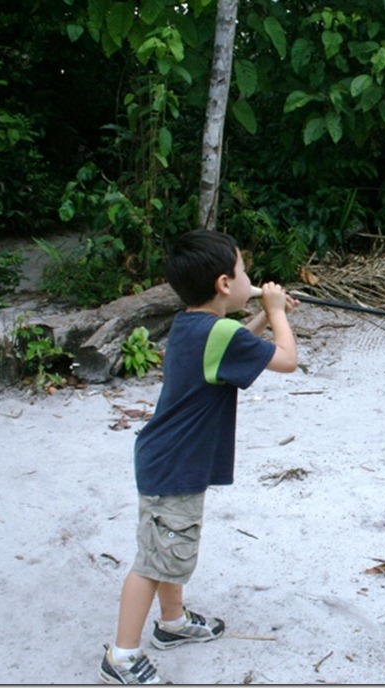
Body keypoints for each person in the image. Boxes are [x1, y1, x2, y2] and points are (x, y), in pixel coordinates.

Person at [99, 230, 299, 684]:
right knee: (153, 561)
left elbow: (239, 348)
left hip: (169, 458)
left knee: (170, 545)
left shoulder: (197, 326)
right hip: (173, 464)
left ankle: (172, 624)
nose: (251, 278)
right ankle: (121, 656)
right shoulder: (218, 332)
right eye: (244, 270)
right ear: (225, 284)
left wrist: (269, 319)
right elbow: (287, 360)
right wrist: (274, 312)